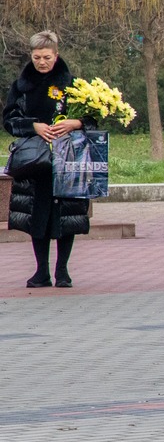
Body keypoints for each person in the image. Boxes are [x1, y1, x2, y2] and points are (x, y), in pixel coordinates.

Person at [4, 31, 89, 288]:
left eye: (47, 57)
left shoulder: (73, 85)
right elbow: (9, 119)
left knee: (65, 214)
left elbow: (94, 116)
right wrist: (34, 126)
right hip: (35, 160)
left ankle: (62, 271)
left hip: (67, 157)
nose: (42, 62)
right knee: (37, 213)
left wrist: (76, 123)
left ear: (56, 55)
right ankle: (41, 271)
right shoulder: (21, 86)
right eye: (37, 57)